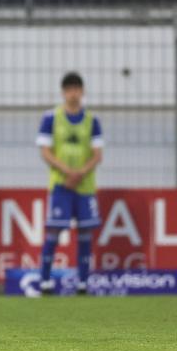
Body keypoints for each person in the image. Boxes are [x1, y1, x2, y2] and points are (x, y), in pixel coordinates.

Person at [36, 72, 104, 295]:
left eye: (77, 89)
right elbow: (45, 151)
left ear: (82, 92)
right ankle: (45, 281)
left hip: (84, 186)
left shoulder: (92, 120)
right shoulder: (51, 118)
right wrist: (67, 172)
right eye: (69, 90)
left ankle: (83, 283)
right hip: (61, 185)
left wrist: (80, 173)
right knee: (54, 231)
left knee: (85, 233)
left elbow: (97, 154)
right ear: (63, 92)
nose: (73, 94)